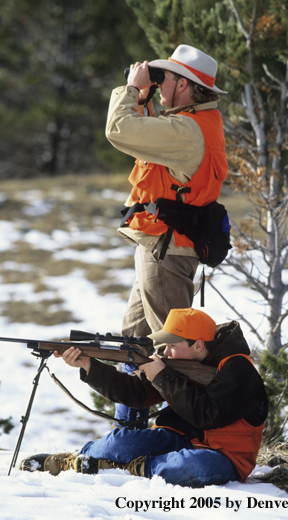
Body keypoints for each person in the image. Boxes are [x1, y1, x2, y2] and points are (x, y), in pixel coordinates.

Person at [106, 44, 229, 428]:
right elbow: (146, 137)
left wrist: (129, 89)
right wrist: (143, 98)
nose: (158, 86)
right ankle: (130, 432)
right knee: (135, 342)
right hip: (160, 249)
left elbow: (119, 130)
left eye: (163, 79)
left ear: (183, 84)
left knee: (174, 351)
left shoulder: (188, 131)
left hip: (166, 254)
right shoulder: (193, 125)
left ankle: (189, 431)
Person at [19, 308, 268, 488]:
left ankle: (125, 467)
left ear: (199, 345)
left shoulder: (238, 369)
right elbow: (134, 394)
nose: (165, 352)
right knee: (119, 444)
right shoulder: (180, 363)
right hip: (176, 438)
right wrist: (89, 367)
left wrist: (162, 376)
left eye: (172, 345)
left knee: (195, 468)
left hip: (225, 455)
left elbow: (207, 415)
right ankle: (80, 458)